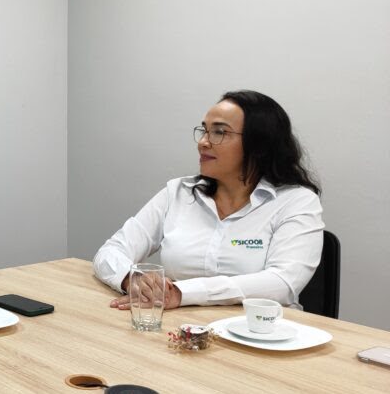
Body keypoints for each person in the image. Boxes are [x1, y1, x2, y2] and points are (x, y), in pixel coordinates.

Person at [93, 90, 324, 310]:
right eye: (204, 130)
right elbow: (111, 251)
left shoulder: (297, 201)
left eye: (219, 132)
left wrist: (181, 293)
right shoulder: (178, 193)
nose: (203, 142)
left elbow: (282, 283)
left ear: (259, 145)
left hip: (262, 331)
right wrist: (132, 278)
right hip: (179, 328)